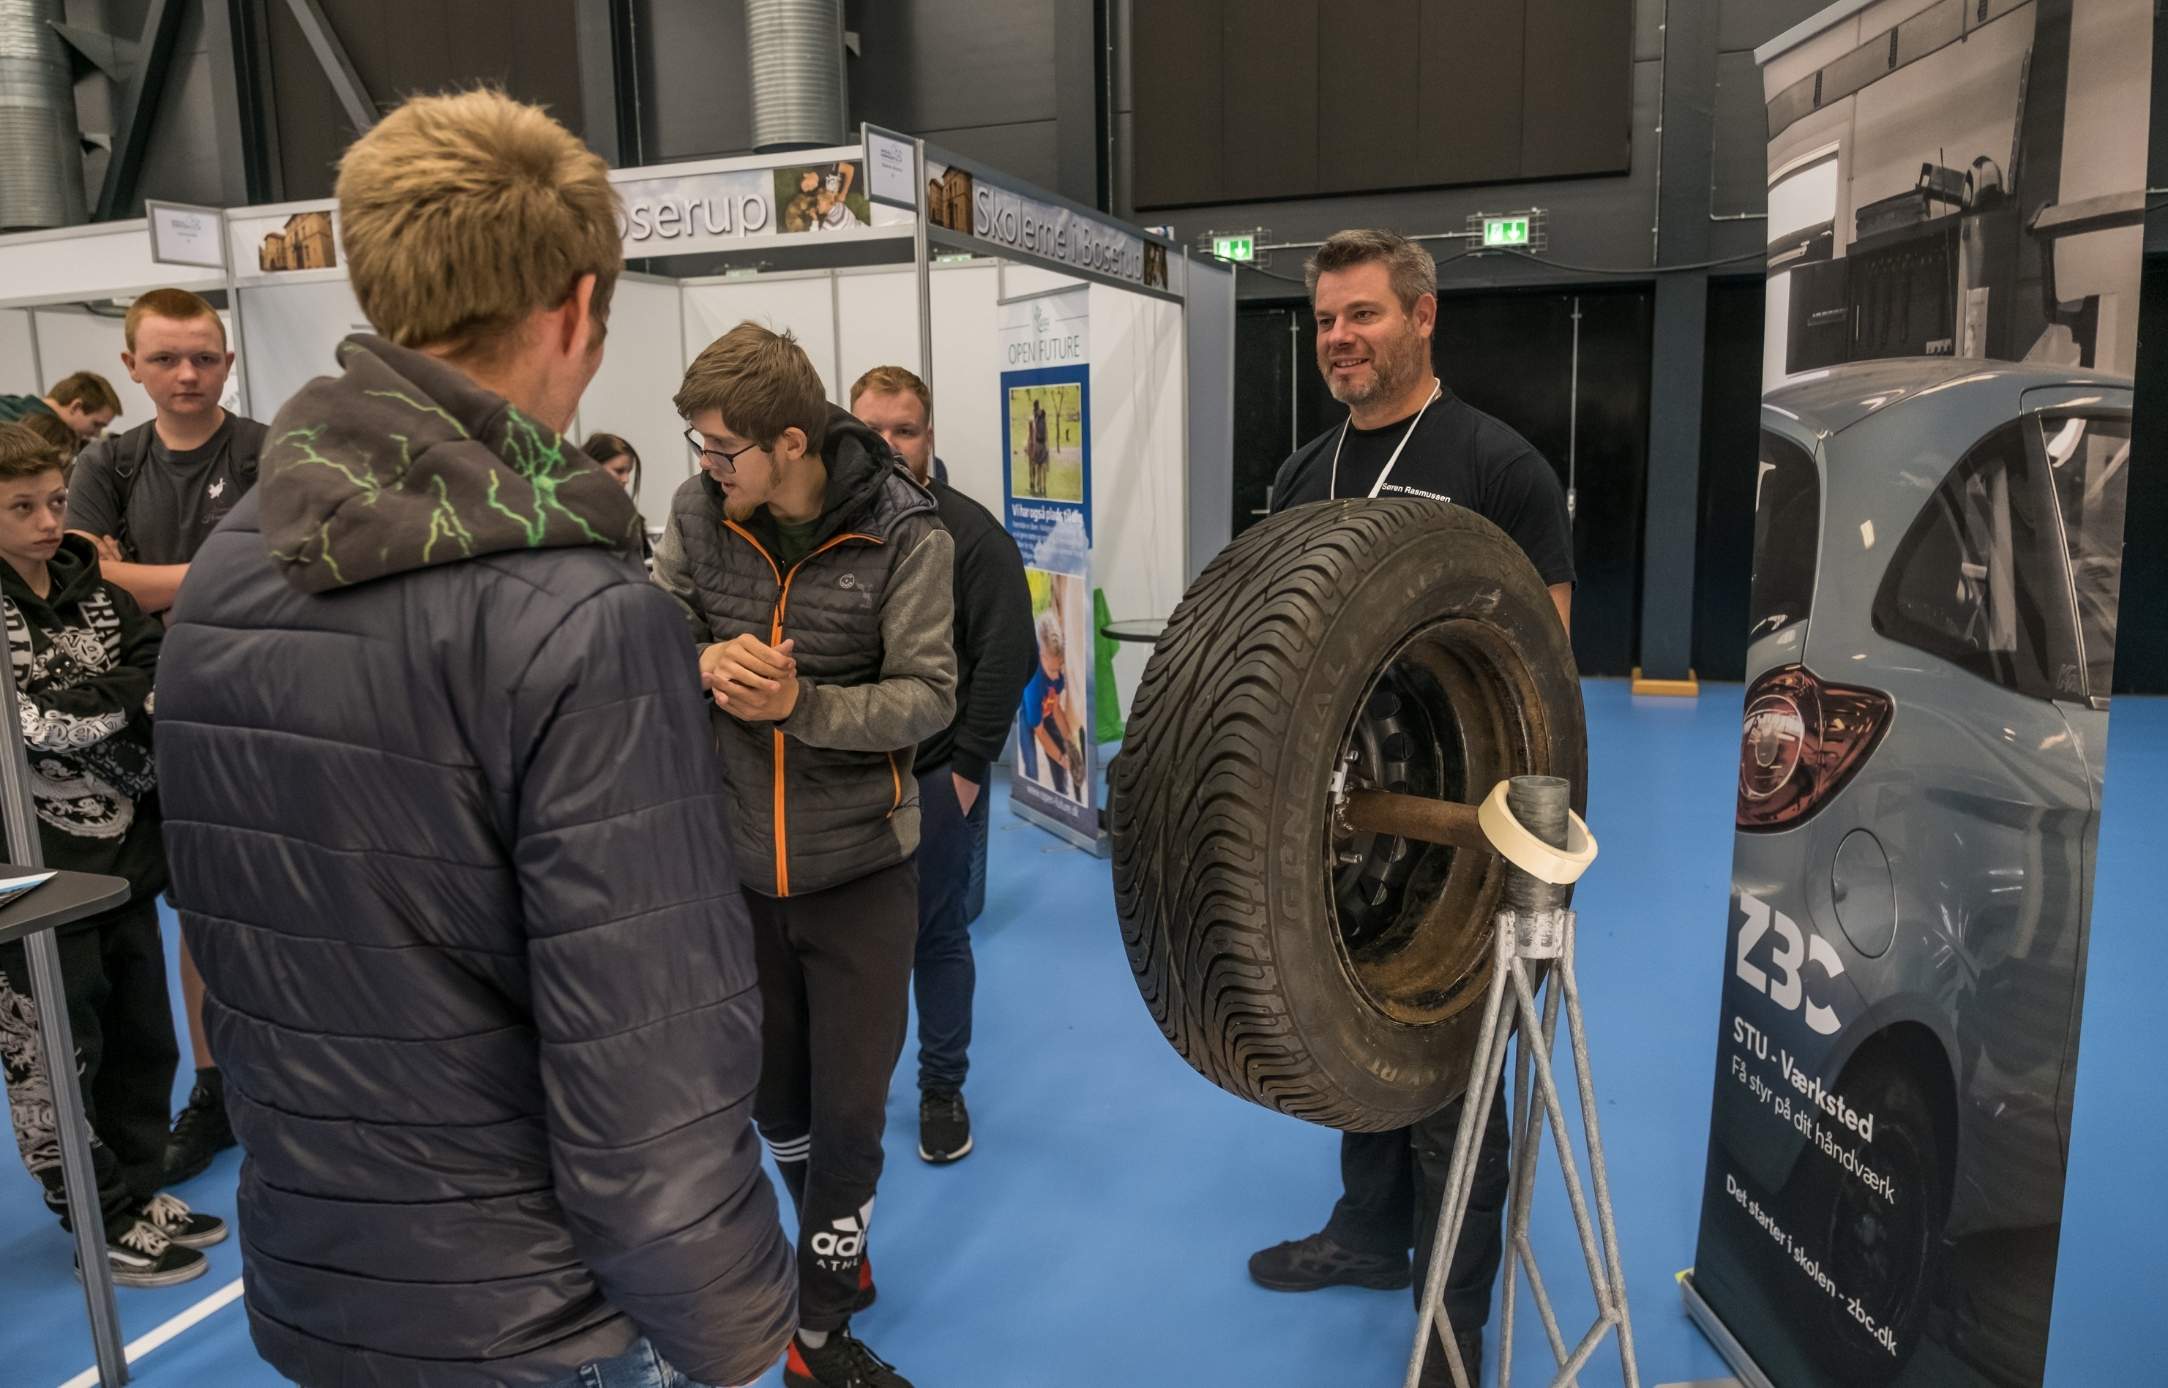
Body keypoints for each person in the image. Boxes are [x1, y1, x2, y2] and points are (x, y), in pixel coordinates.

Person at [153, 90, 794, 1388]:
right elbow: (652, 1074)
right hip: (540, 1321)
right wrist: (740, 1333)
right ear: (572, 308)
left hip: (323, 1287)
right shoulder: (584, 619)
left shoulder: (229, 565)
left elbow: (235, 941)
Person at [1249, 228, 1576, 1388]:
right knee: (1351, 1042)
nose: (1339, 338)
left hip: (1462, 831)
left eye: (1364, 315)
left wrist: (1527, 850)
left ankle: (1453, 1325)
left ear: (1422, 315)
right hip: (1329, 821)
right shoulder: (1302, 474)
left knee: (1448, 1076)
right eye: (1327, 319)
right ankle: (1367, 1233)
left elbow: (1541, 658)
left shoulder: (1496, 468)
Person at [653, 323, 957, 1388]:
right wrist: (699, 657)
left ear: (789, 442)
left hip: (859, 875)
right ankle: (832, 1232)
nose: (703, 466)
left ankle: (817, 1332)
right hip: (733, 871)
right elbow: (656, 620)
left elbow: (929, 695)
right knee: (772, 1101)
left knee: (849, 1118)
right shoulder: (700, 512)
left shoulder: (904, 533)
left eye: (721, 448)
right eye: (697, 445)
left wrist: (802, 704)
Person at [0, 422, 224, 1288]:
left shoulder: (98, 592)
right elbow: (24, 727)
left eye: (56, 501)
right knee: (58, 1054)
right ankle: (94, 1212)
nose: (48, 521)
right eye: (22, 507)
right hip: (28, 878)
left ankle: (133, 1190)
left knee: (142, 1040)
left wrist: (88, 706)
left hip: (124, 861)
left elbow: (158, 674)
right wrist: (110, 706)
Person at [64, 286, 267, 1187]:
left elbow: (277, 574)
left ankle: (269, 1085)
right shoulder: (108, 463)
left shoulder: (269, 453)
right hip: (145, 726)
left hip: (265, 713)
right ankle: (209, 1091)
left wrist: (143, 576)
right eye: (166, 359)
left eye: (205, 358)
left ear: (227, 361)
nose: (187, 375)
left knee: (261, 911)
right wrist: (209, 573)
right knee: (171, 913)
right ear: (131, 366)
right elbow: (85, 585)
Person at [848, 365, 1034, 1165]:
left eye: (906, 429)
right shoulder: (827, 531)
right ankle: (851, 1096)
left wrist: (964, 770)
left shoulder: (971, 534)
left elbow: (1009, 656)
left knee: (936, 938)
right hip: (844, 781)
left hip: (932, 777)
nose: (889, 446)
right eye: (873, 430)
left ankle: (939, 1090)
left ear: (931, 436)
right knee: (848, 950)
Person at [583, 431, 654, 565]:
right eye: (619, 471)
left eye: (628, 472)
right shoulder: (571, 518)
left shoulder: (632, 520)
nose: (626, 479)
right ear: (593, 466)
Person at [0, 370, 122, 440]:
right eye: (96, 424)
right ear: (75, 407)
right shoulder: (27, 434)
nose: (96, 434)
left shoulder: (11, 404)